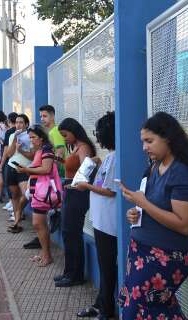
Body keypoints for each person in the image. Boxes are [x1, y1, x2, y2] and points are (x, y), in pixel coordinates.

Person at [118, 112, 188, 319]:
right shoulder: (154, 167)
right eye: (143, 142)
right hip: (141, 253)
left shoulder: (181, 172)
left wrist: (143, 203)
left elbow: (184, 224)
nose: (144, 147)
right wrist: (135, 213)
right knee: (158, 310)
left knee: (138, 311)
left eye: (149, 141)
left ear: (168, 138)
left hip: (163, 258)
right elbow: (152, 207)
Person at [75, 112, 117, 320]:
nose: (97, 136)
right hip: (101, 222)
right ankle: (101, 304)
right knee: (104, 266)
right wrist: (99, 167)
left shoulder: (118, 157)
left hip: (110, 225)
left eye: (99, 132)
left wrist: (86, 186)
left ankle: (107, 310)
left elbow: (110, 191)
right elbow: (105, 183)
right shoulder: (110, 157)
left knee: (108, 267)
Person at [54, 117, 96, 288]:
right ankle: (69, 271)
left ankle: (75, 274)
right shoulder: (77, 147)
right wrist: (62, 162)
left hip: (78, 195)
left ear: (73, 131)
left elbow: (86, 171)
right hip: (71, 192)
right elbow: (76, 170)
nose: (64, 139)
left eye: (65, 135)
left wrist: (72, 182)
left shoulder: (83, 147)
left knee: (72, 234)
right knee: (67, 233)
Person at [23, 105, 66, 250]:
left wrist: (50, 166)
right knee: (40, 221)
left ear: (53, 116)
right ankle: (43, 248)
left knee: (42, 220)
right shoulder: (44, 140)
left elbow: (59, 153)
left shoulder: (55, 132)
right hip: (42, 185)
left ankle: (46, 252)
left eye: (45, 116)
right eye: (40, 116)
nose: (42, 119)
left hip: (51, 183)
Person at [15, 124, 56, 267]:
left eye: (33, 137)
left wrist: (26, 169)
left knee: (38, 223)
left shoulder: (46, 150)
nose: (31, 140)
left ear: (42, 137)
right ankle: (44, 253)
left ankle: (47, 255)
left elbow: (46, 169)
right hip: (37, 191)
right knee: (38, 224)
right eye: (30, 137)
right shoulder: (40, 150)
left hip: (42, 192)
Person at [5, 114, 32, 233]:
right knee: (14, 196)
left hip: (24, 169)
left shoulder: (31, 136)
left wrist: (21, 150)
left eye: (21, 122)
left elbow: (33, 156)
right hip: (11, 167)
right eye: (16, 122)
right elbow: (10, 154)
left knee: (26, 194)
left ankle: (18, 213)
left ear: (26, 124)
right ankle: (17, 221)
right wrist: (15, 139)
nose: (18, 125)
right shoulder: (12, 135)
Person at [0, 112, 18, 212]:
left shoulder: (9, 131)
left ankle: (12, 202)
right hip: (19, 161)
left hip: (9, 161)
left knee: (9, 183)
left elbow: (6, 150)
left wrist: (1, 165)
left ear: (9, 121)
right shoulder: (21, 131)